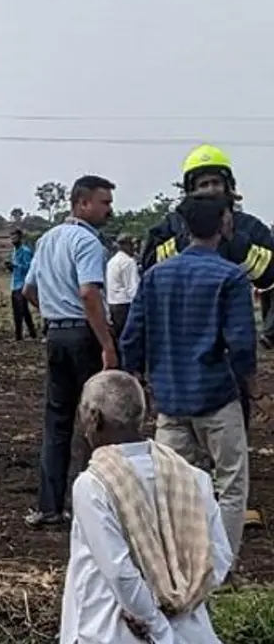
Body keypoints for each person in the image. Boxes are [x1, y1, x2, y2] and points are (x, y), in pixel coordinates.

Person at [139, 145, 272, 528]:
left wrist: (232, 243)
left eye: (216, 183)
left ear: (229, 187)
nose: (210, 191)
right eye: (202, 185)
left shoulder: (251, 229)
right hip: (181, 345)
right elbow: (150, 271)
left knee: (232, 425)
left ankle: (220, 503)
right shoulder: (169, 229)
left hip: (230, 344)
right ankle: (195, 505)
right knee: (183, 434)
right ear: (189, 191)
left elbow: (269, 274)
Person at [121, 194, 256, 562]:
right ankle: (220, 566)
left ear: (184, 227)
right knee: (230, 484)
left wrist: (137, 379)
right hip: (216, 397)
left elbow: (132, 336)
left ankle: (179, 561)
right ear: (224, 225)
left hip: (171, 399)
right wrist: (249, 383)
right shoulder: (231, 277)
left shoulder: (155, 275)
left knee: (172, 488)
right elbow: (242, 343)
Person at [59, 370, 231, 644]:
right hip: (191, 630)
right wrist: (179, 603)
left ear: (94, 417)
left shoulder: (94, 485)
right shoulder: (192, 477)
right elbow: (218, 558)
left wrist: (158, 628)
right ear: (144, 411)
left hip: (112, 630)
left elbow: (120, 573)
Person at [21, 175, 118, 528]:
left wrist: (51, 311)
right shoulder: (89, 243)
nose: (109, 209)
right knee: (98, 420)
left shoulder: (47, 240)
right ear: (82, 203)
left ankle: (49, 506)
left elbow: (29, 289)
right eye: (104, 202)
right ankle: (91, 507)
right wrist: (107, 344)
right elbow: (89, 293)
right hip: (84, 335)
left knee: (57, 422)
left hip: (57, 334)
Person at [106, 232, 140, 343]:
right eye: (132, 244)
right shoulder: (128, 262)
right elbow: (133, 287)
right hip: (125, 305)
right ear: (125, 245)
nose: (134, 248)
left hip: (113, 305)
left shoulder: (112, 261)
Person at [5, 229, 38, 340]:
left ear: (20, 238)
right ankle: (30, 333)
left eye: (15, 238)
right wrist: (10, 267)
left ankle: (20, 335)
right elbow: (15, 269)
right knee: (20, 310)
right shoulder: (14, 251)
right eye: (11, 238)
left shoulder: (25, 251)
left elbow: (29, 268)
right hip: (15, 283)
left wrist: (15, 265)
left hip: (23, 284)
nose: (12, 240)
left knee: (21, 311)